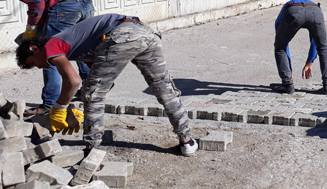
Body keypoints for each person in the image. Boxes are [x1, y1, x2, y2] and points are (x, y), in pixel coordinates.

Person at [15, 13, 197, 157]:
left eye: (33, 63)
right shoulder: (78, 46)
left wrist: (59, 108)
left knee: (93, 95)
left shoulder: (52, 45)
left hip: (121, 35)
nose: (39, 66)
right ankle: (187, 141)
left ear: (34, 48)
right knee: (164, 89)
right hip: (146, 34)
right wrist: (80, 95)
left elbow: (73, 80)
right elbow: (103, 81)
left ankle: (91, 151)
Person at [0, 0, 94, 115]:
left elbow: (36, 2)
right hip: (85, 4)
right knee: (81, 49)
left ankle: (49, 105)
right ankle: (90, 92)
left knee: (49, 54)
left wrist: (31, 29)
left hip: (64, 7)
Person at [272, 0, 327, 95]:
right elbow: (315, 41)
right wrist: (310, 61)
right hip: (315, 12)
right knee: (323, 47)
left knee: (279, 47)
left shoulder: (285, 10)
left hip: (293, 11)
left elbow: (283, 46)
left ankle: (287, 85)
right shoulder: (313, 5)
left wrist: (288, 71)